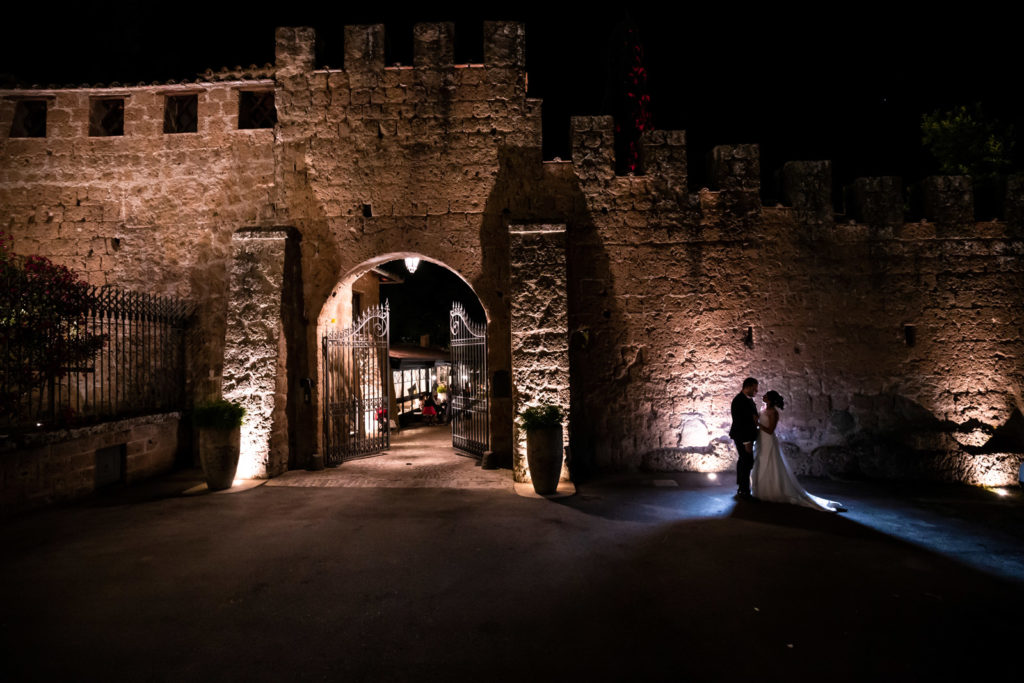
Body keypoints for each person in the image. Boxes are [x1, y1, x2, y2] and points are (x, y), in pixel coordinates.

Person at [751, 390, 847, 512]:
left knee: (769, 463)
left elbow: (770, 430)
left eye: (766, 396)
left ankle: (771, 490)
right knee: (760, 462)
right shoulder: (763, 408)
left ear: (770, 399)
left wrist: (758, 424)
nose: (763, 396)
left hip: (768, 440)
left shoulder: (774, 412)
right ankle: (761, 489)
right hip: (760, 439)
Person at [729, 377, 760, 499]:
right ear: (747, 387)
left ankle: (742, 487)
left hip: (748, 436)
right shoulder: (739, 401)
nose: (756, 391)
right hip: (742, 437)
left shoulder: (749, 400)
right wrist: (746, 441)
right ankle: (744, 491)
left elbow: (752, 417)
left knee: (744, 461)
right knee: (746, 462)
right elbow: (740, 422)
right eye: (754, 389)